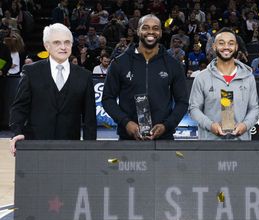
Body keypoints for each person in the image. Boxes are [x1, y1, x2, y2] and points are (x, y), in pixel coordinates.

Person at [9, 23, 96, 156]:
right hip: (35, 146)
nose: (63, 47)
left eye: (67, 42)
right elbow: (19, 107)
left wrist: (90, 148)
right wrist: (17, 132)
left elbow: (89, 118)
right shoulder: (31, 72)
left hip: (70, 148)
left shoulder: (85, 76)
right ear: (47, 46)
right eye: (57, 42)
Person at [102, 14, 188, 140]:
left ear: (161, 32)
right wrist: (126, 122)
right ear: (138, 31)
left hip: (164, 139)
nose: (151, 32)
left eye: (155, 28)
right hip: (128, 138)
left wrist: (166, 125)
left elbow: (182, 102)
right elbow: (108, 99)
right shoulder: (119, 63)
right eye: (145, 27)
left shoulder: (173, 65)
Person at [189, 27, 259, 140]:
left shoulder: (248, 77)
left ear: (236, 47)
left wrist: (245, 125)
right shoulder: (201, 77)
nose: (226, 47)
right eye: (221, 43)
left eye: (231, 43)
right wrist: (210, 125)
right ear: (214, 47)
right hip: (210, 145)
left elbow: (254, 108)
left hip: (241, 145)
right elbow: (194, 109)